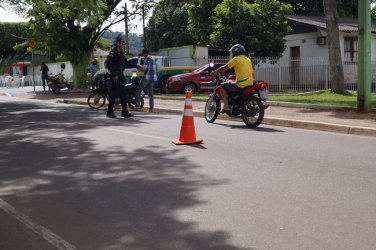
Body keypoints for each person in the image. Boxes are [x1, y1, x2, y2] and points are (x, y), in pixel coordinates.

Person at [212, 44, 254, 113]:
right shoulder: (248, 59)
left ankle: (226, 106)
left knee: (222, 86)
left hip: (241, 84)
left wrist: (216, 71)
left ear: (235, 51)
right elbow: (251, 73)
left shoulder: (236, 59)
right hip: (250, 83)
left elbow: (225, 67)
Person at [106, 36, 140, 118]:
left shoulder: (121, 52)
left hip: (121, 75)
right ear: (117, 43)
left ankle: (124, 111)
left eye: (123, 44)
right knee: (113, 94)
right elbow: (109, 65)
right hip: (115, 75)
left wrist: (137, 66)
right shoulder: (113, 52)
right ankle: (110, 112)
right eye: (121, 43)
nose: (122, 45)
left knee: (123, 93)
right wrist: (114, 74)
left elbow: (126, 63)